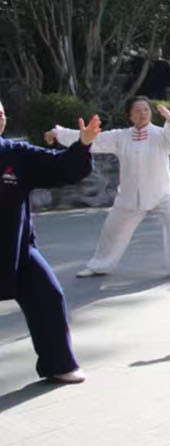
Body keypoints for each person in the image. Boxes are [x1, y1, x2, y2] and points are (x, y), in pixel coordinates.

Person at [0, 98, 98, 383]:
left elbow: (59, 166)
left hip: (17, 248)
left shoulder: (16, 154)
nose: (0, 119)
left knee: (48, 296)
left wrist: (82, 145)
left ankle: (58, 365)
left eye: (1, 113)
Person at [49, 97, 170, 278]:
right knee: (112, 231)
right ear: (129, 115)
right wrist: (58, 133)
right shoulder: (121, 136)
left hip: (162, 193)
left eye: (146, 110)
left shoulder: (162, 135)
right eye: (137, 110)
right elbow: (94, 139)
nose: (143, 114)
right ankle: (99, 265)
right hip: (129, 195)